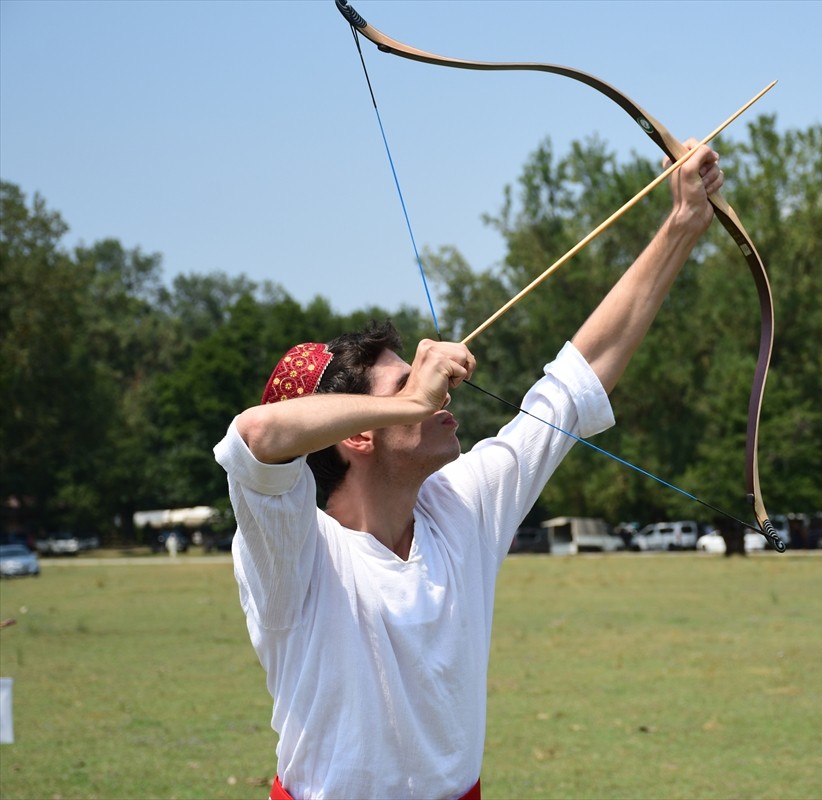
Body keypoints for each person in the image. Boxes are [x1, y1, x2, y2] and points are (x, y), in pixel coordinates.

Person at [213, 141, 724, 800]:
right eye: (407, 385)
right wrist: (409, 400)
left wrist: (681, 226)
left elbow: (575, 381)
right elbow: (256, 436)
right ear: (357, 434)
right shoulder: (293, 550)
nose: (440, 393)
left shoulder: (458, 505)